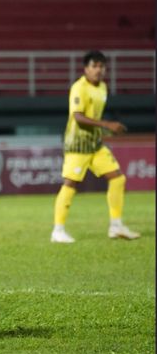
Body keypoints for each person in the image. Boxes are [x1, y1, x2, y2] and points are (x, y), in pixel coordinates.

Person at [50, 50, 140, 243]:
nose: (98, 70)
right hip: (77, 145)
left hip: (95, 145)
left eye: (101, 66)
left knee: (117, 178)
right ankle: (58, 230)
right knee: (70, 183)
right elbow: (79, 118)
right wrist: (107, 125)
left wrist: (103, 130)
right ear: (86, 69)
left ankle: (116, 226)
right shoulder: (79, 88)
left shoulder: (103, 88)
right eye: (94, 66)